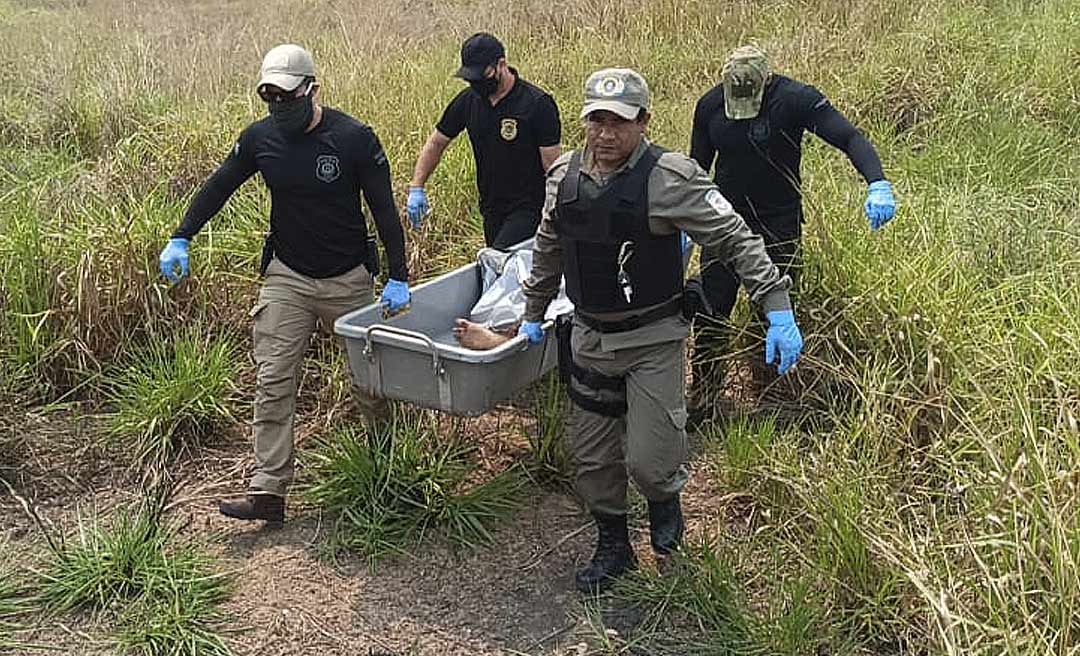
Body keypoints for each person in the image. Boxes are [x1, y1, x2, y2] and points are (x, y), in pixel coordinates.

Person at [519, 68, 804, 592]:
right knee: (592, 460)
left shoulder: (670, 178)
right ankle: (614, 547)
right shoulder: (564, 178)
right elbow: (549, 245)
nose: (605, 134)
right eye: (596, 121)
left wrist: (776, 305)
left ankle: (667, 536)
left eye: (619, 122)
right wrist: (534, 309)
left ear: (644, 121)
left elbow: (735, 238)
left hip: (652, 340)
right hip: (588, 338)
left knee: (650, 463)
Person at [157, 44, 411, 524]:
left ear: (313, 89)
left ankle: (387, 466)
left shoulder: (354, 138)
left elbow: (383, 209)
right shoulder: (260, 139)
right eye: (271, 100)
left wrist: (398, 276)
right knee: (273, 379)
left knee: (370, 384)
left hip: (348, 278)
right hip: (287, 276)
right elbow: (220, 184)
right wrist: (181, 237)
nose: (280, 109)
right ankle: (268, 491)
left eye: (288, 98)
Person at [687, 45, 897, 421]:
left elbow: (849, 138)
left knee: (773, 314)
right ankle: (704, 395)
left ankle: (767, 394)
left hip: (778, 221)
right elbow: (697, 169)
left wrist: (877, 182)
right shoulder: (710, 106)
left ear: (767, 81)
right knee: (711, 309)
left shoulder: (796, 99)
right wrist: (686, 222)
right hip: (723, 223)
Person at [406, 32, 563, 249]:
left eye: (482, 75)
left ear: (501, 64)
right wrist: (417, 186)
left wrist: (559, 213)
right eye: (471, 78)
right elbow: (437, 142)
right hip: (491, 208)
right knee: (502, 269)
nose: (477, 83)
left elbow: (553, 165)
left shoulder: (536, 104)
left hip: (529, 208)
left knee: (497, 261)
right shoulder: (469, 101)